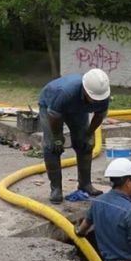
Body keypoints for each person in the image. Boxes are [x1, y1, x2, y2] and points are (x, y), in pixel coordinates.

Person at [39, 68, 110, 204]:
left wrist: (88, 133)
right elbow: (54, 115)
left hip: (78, 110)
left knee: (85, 144)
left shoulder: (102, 95)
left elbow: (99, 115)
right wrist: (57, 137)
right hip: (50, 107)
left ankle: (85, 184)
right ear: (84, 89)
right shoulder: (66, 92)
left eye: (98, 99)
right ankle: (56, 189)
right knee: (53, 146)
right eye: (92, 98)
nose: (95, 101)